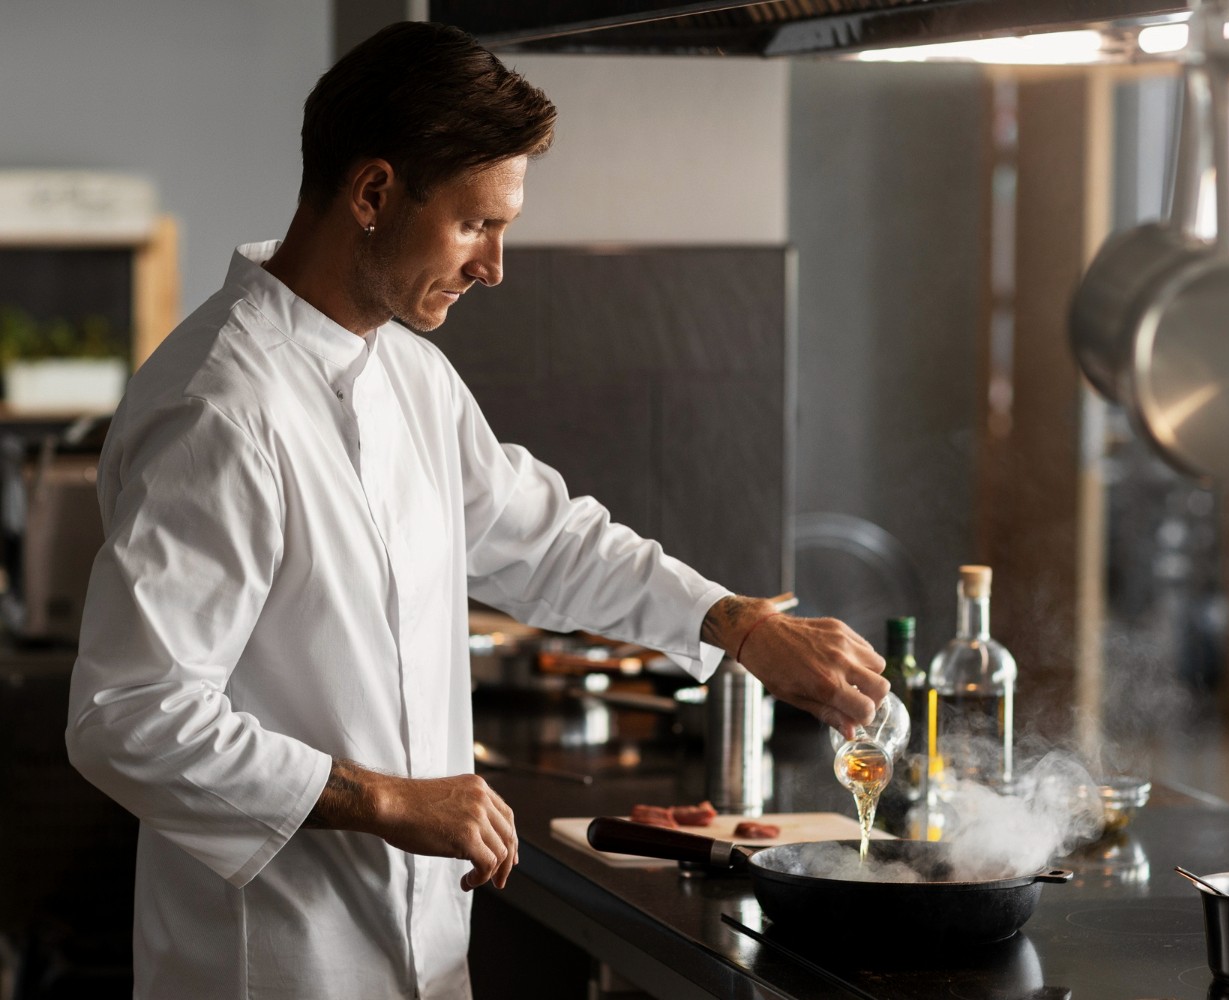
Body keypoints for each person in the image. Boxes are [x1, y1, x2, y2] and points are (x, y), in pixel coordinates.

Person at [65, 20, 888, 1000]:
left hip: (422, 946)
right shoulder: (221, 407)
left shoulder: (409, 371)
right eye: (475, 224)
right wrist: (384, 798)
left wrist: (739, 623)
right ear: (373, 193)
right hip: (274, 963)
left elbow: (544, 538)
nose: (495, 265)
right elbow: (128, 715)